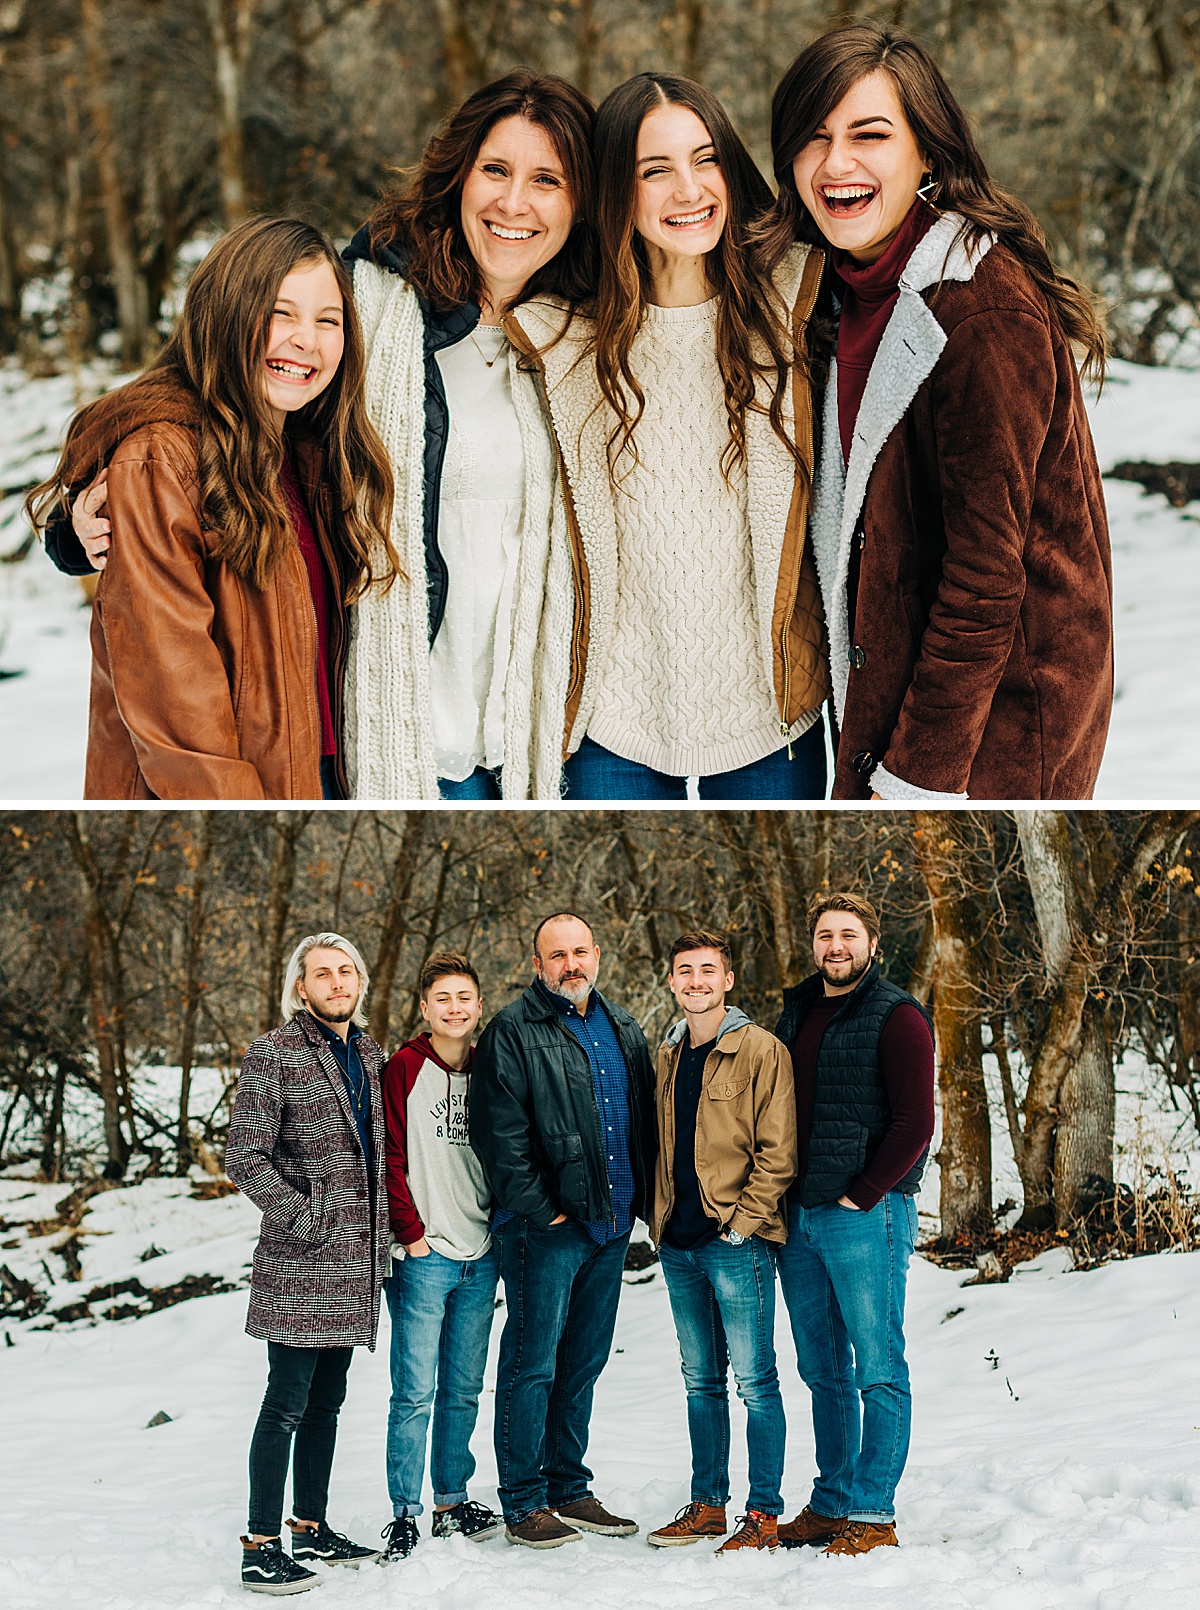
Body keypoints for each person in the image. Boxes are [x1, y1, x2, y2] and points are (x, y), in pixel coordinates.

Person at [54, 71, 597, 803]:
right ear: (457, 176)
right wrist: (86, 507)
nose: (514, 202)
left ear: (581, 201)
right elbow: (221, 394)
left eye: (547, 180)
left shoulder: (590, 336)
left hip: (524, 740)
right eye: (495, 170)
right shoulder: (370, 307)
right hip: (395, 739)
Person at [761, 23, 1112, 801]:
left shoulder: (981, 310)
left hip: (997, 735)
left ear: (928, 151)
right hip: (886, 707)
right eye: (814, 138)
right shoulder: (836, 294)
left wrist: (914, 779)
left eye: (870, 134)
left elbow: (987, 579)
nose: (837, 163)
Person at [512, 73, 831, 801]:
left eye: (706, 157)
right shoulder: (558, 336)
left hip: (768, 710)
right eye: (655, 171)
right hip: (610, 715)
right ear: (614, 194)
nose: (689, 189)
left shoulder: (798, 299)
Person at [28, 216, 398, 800]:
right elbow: (175, 700)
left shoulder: (313, 457)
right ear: (226, 314)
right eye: (281, 312)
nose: (308, 338)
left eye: (329, 320)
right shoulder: (163, 461)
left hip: (318, 775)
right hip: (222, 793)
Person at [468, 912, 656, 1547]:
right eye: (557, 955)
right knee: (532, 1364)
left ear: (597, 954)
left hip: (609, 1227)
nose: (571, 964)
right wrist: (543, 1211)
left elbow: (642, 1124)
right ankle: (522, 1500)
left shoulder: (623, 1026)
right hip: (544, 1231)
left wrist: (641, 1208)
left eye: (580, 952)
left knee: (583, 1362)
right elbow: (500, 1139)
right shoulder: (512, 1032)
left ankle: (567, 1487)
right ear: (537, 963)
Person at [225, 932, 390, 1594]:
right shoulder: (273, 1052)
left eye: (346, 971)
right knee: (286, 1402)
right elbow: (244, 1156)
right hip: (299, 1259)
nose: (336, 982)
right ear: (302, 987)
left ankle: (310, 1526)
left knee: (328, 1402)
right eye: (322, 973)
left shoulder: (372, 1056)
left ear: (359, 983)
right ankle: (260, 1546)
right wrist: (304, 1212)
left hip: (352, 1261)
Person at [772, 893, 935, 1556]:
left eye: (847, 935)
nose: (835, 946)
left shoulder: (896, 1015)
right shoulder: (800, 1008)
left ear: (872, 941)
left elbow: (915, 1125)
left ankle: (873, 1513)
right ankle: (833, 1501)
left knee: (877, 1366)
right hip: (800, 1216)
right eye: (824, 935)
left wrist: (863, 1195)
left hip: (866, 1215)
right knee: (822, 1370)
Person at [646, 931, 796, 1555]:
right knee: (699, 1380)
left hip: (737, 1243)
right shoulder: (669, 1054)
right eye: (685, 971)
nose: (696, 981)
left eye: (708, 970)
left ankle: (762, 1513)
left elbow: (778, 1153)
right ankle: (708, 1505)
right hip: (678, 1245)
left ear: (728, 980)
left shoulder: (761, 1050)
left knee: (755, 1381)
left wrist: (741, 1224)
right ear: (673, 982)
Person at [377, 952, 503, 1562]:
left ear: (480, 1006)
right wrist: (411, 1232)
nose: (455, 1008)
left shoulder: (492, 1068)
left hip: (481, 1252)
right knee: (414, 1389)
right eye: (443, 999)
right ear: (424, 1008)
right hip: (423, 1254)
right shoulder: (404, 1067)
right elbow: (389, 1156)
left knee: (463, 1388)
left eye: (465, 998)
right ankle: (404, 1511)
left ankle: (452, 1501)